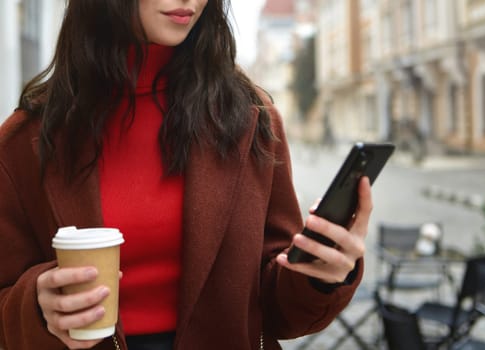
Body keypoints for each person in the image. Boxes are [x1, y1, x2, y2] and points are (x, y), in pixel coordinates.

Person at [0, 1, 372, 349]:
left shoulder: (250, 120)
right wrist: (35, 307)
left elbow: (277, 312)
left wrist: (320, 274)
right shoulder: (24, 141)